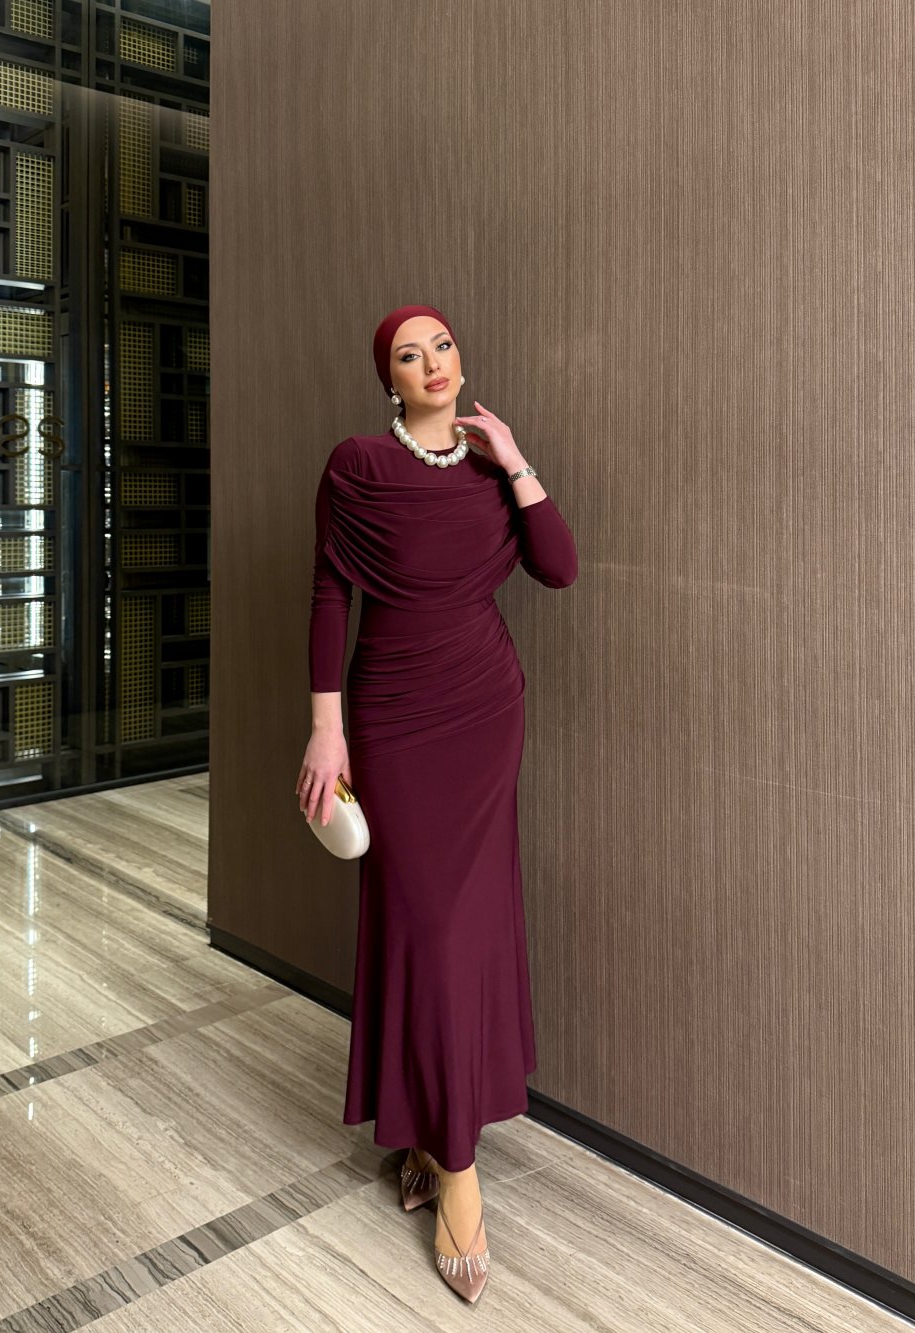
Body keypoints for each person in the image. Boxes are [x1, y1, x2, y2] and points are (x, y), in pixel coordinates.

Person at [297, 303, 577, 1302]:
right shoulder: (357, 466)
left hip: (484, 710)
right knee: (420, 928)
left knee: (466, 929)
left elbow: (558, 566)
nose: (433, 364)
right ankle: (448, 1156)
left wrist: (515, 457)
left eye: (443, 346)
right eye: (410, 355)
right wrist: (325, 728)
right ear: (390, 377)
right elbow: (331, 593)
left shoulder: (492, 470)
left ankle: (437, 1145)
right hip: (392, 716)